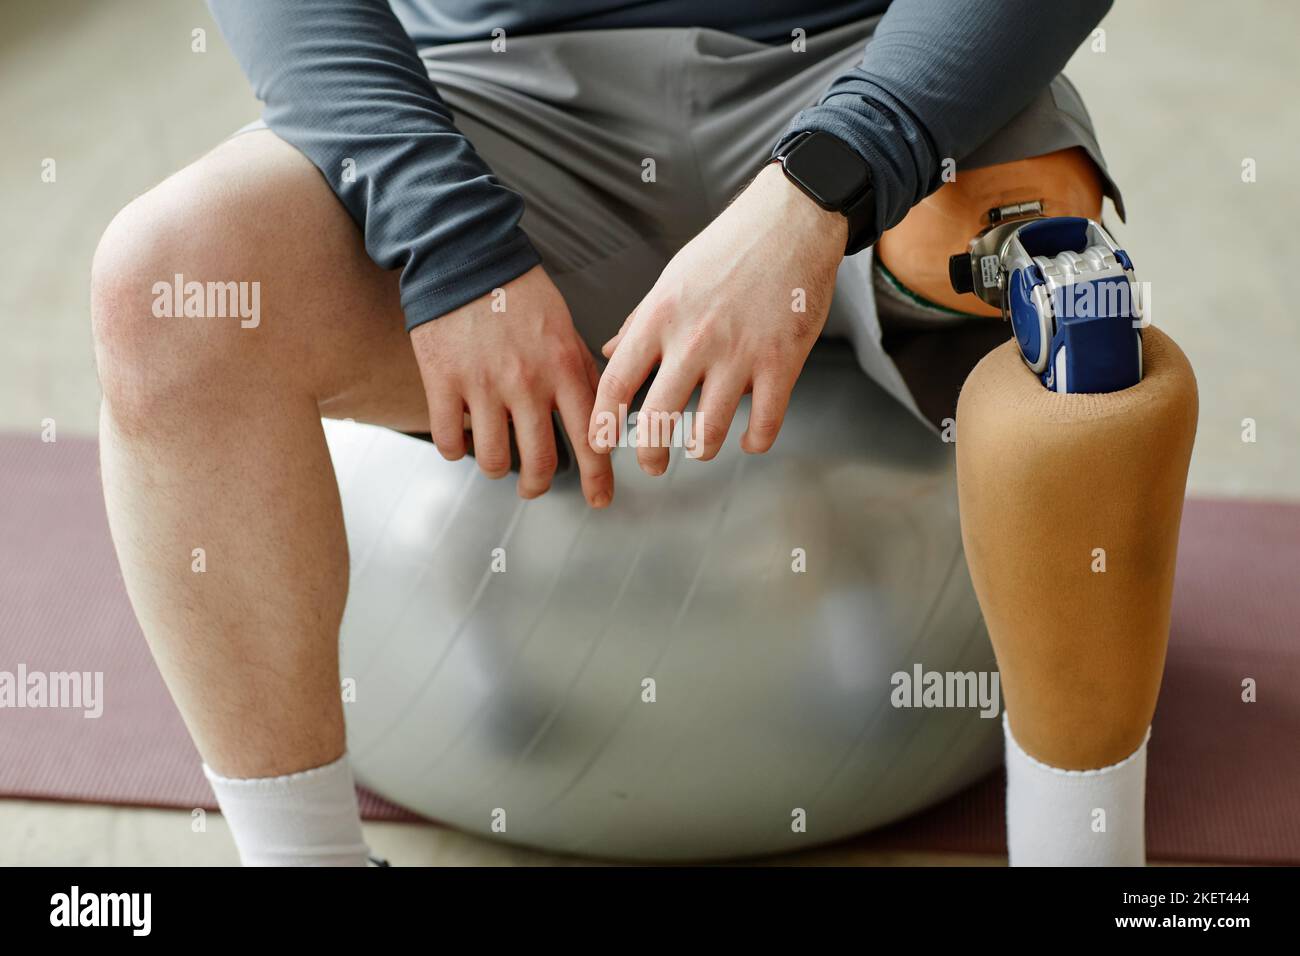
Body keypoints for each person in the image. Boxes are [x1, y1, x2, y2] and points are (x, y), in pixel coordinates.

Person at [93, 0, 1191, 866]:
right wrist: (447, 236)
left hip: (882, 56)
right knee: (168, 293)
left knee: (1075, 341)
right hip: (484, 91)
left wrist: (824, 180)